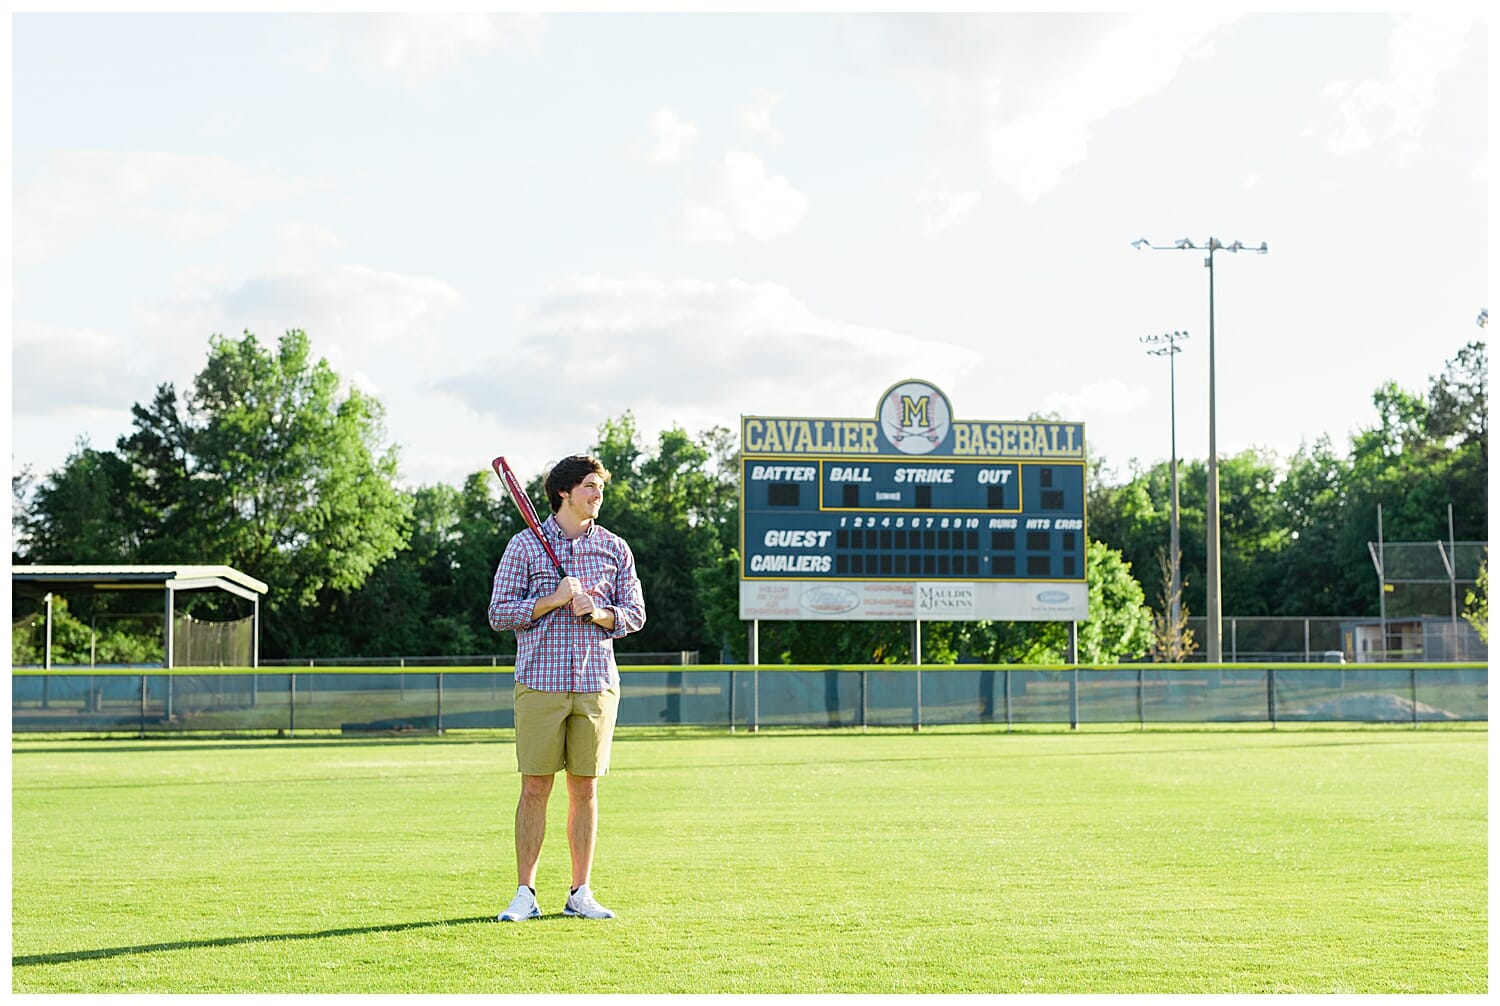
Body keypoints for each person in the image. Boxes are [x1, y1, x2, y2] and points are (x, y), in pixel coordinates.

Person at [487, 455, 646, 922]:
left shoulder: (615, 548)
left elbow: (634, 614)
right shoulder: (524, 546)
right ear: (564, 492)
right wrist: (551, 601)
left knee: (586, 789)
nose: (598, 495)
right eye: (590, 487)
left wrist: (596, 612)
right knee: (535, 787)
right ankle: (525, 894)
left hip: (596, 685)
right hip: (539, 684)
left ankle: (580, 893)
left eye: (599, 487)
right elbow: (498, 613)